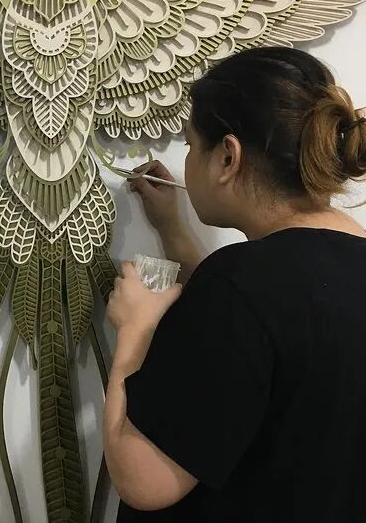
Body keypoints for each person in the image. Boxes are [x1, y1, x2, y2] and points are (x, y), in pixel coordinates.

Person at [103, 46, 366, 522]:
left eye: (189, 145)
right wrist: (172, 229)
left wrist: (134, 332)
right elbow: (259, 339)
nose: (186, 160)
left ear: (227, 156)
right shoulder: (314, 275)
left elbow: (143, 480)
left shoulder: (241, 285)